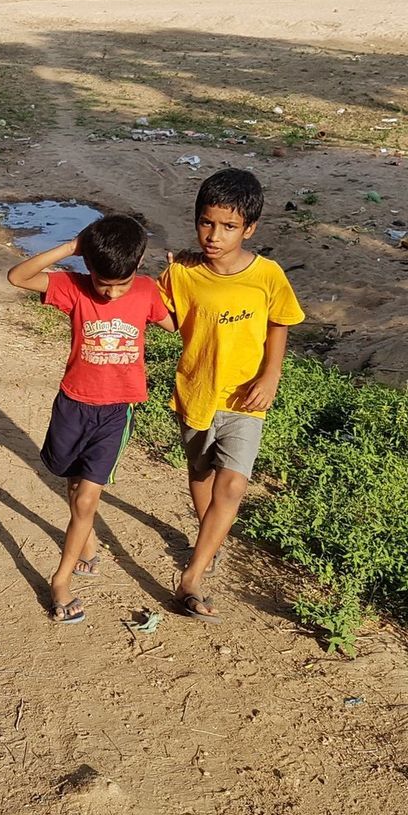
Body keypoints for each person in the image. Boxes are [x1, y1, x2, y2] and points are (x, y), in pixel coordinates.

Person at [8, 215, 175, 624]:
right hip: (73, 405)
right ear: (88, 266)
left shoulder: (147, 290)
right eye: (104, 283)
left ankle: (60, 580)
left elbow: (174, 324)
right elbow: (18, 276)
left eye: (122, 284)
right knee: (71, 481)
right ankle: (86, 539)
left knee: (86, 497)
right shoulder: (74, 287)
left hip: (117, 411)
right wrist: (72, 246)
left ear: (138, 265)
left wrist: (178, 283)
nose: (112, 292)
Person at [159, 170, 304, 623]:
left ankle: (192, 576)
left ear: (250, 229)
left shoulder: (267, 275)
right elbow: (166, 317)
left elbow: (279, 322)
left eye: (228, 227)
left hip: (245, 398)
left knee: (234, 484)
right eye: (206, 223)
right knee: (201, 473)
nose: (214, 236)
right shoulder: (183, 272)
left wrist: (271, 374)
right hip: (196, 391)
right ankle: (210, 541)